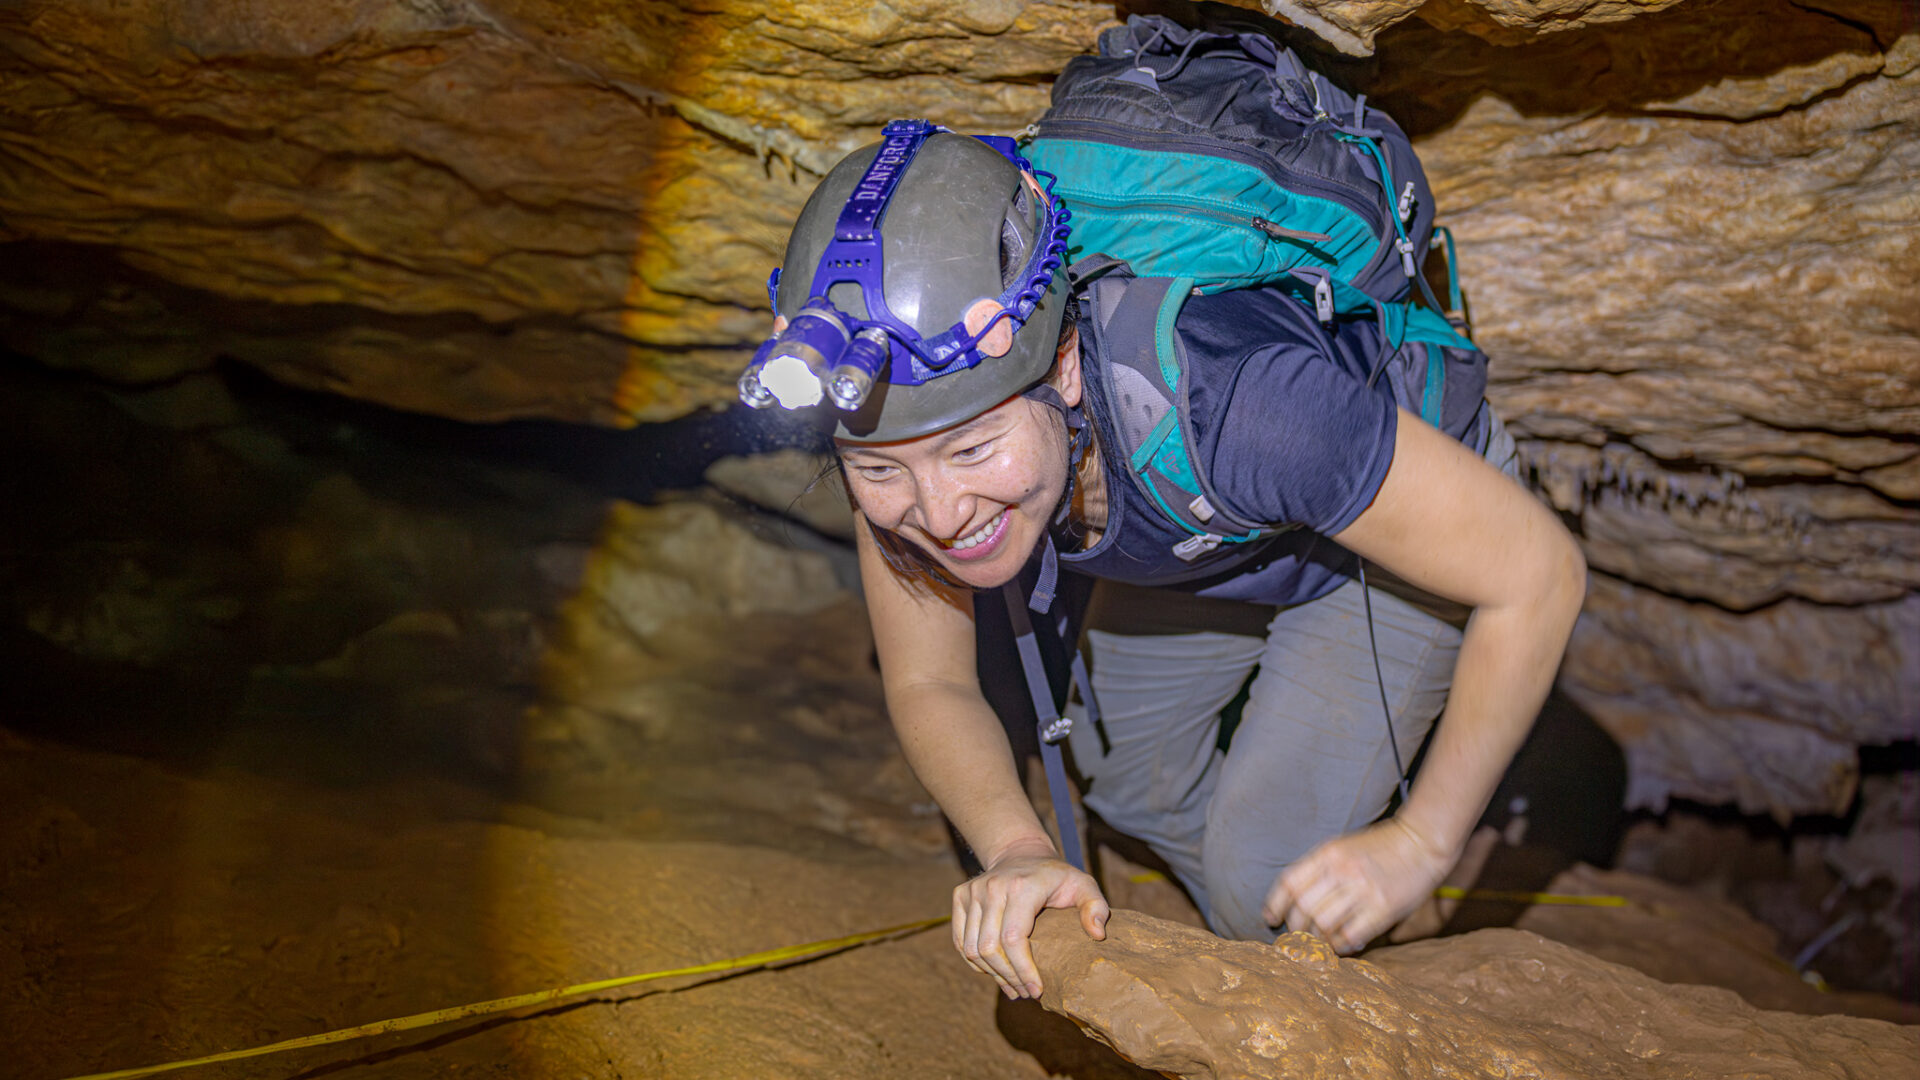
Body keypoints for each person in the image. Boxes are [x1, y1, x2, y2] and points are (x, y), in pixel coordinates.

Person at [742, 127, 1586, 1002]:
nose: (941, 515)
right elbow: (929, 683)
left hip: (1399, 532)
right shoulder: (894, 429)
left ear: (1063, 367)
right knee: (1125, 778)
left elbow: (1540, 576)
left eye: (973, 449)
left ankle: (1313, 917)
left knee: (1256, 878)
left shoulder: (1242, 404)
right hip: (1211, 533)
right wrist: (1019, 850)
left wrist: (1421, 844)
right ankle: (1296, 900)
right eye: (880, 471)